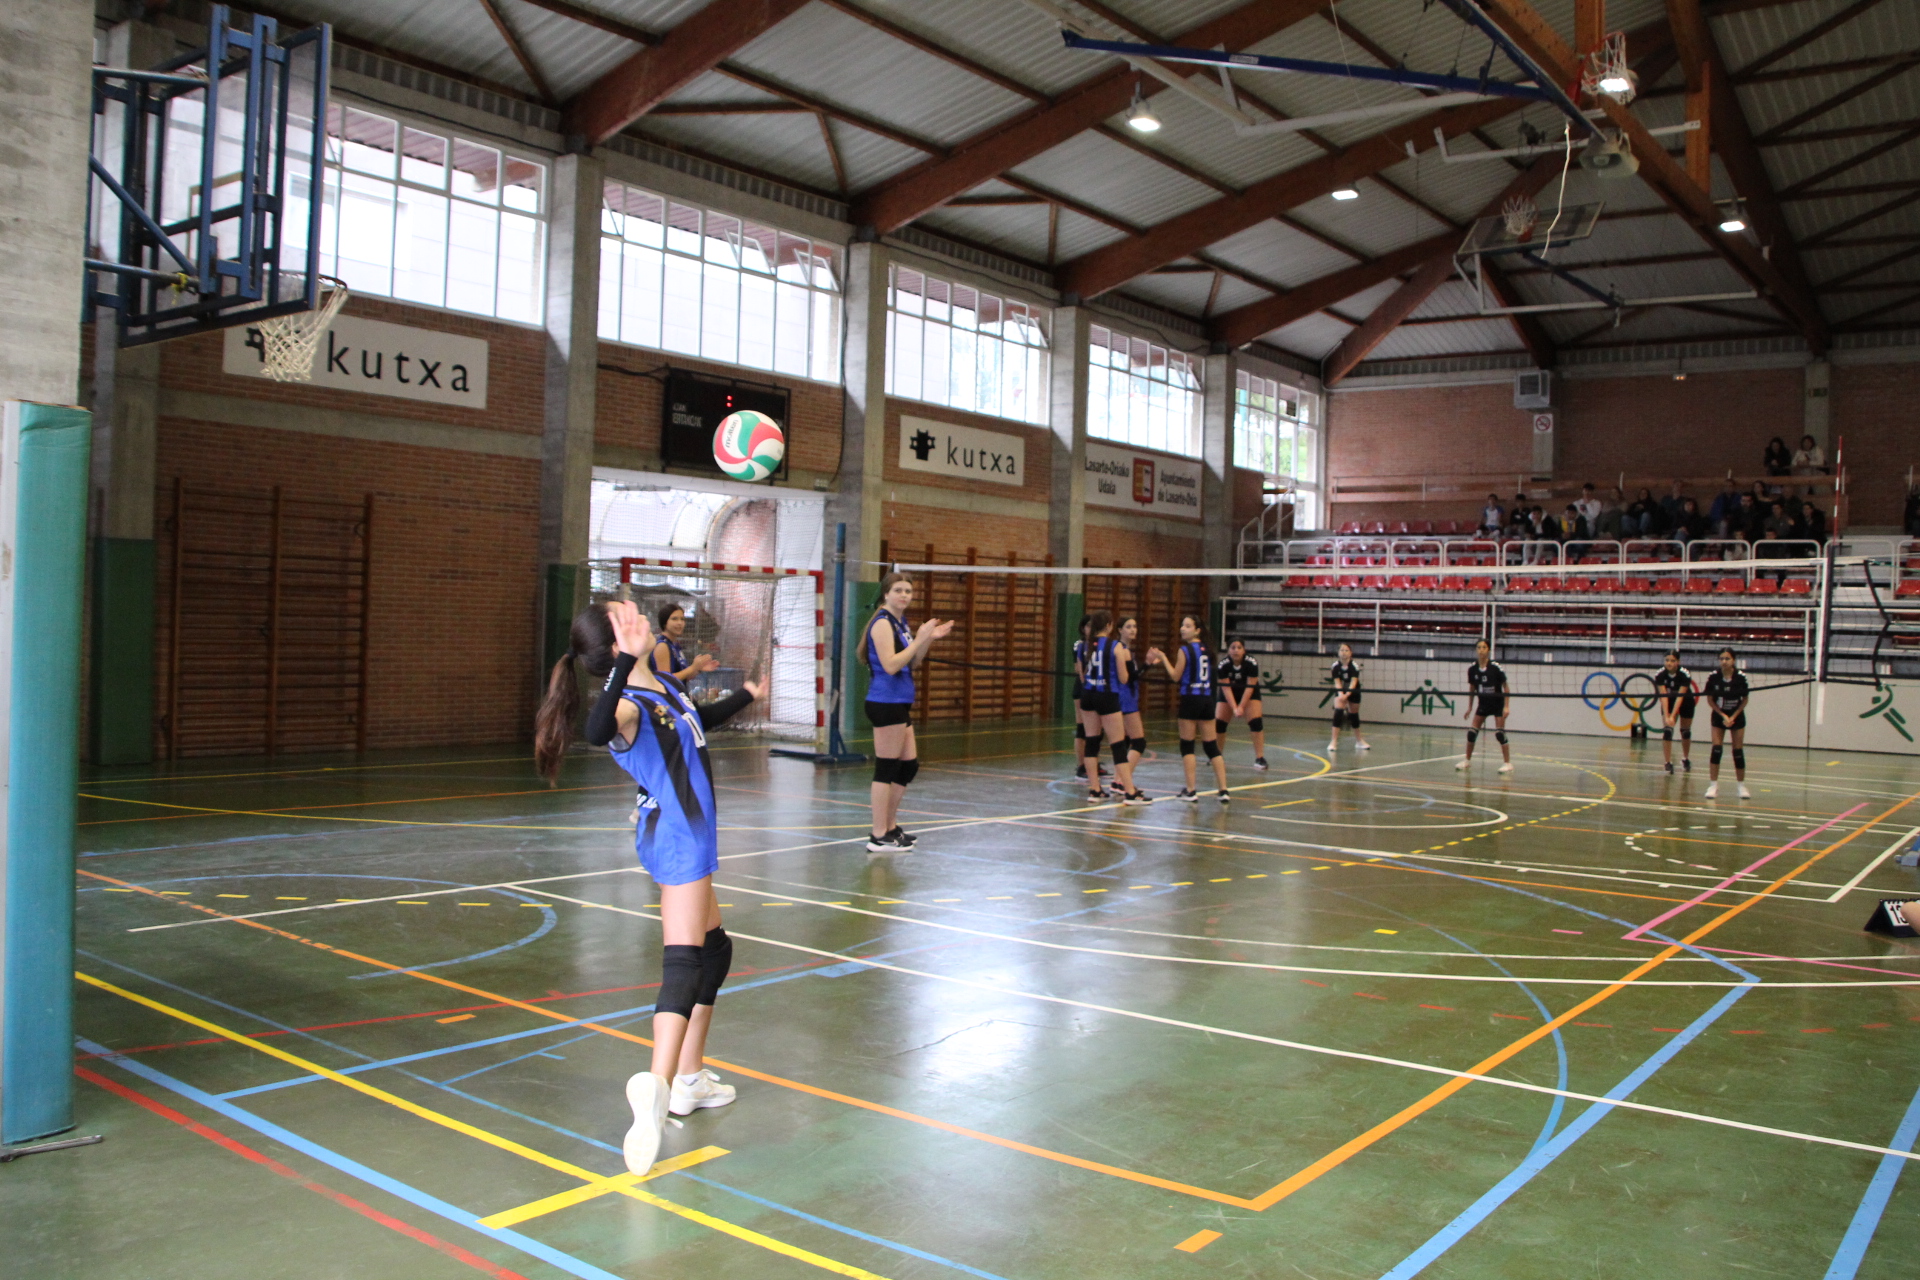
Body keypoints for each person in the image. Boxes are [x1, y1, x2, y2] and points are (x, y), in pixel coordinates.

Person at [534, 600, 765, 1176]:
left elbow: (699, 721)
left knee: (715, 950)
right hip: (678, 837)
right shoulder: (627, 705)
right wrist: (625, 665)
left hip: (691, 829)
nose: (638, 613)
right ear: (618, 643)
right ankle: (658, 1088)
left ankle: (689, 1079)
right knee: (685, 960)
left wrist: (747, 696)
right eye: (627, 614)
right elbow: (594, 732)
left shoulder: (663, 685)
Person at [863, 572, 954, 852]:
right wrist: (919, 639)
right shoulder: (882, 623)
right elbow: (891, 665)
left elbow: (912, 662)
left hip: (900, 700)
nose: (904, 595)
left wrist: (928, 639)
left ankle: (890, 826)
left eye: (908, 591)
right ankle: (878, 834)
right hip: (885, 701)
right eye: (898, 590)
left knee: (908, 766)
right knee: (886, 768)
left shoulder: (900, 622)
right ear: (886, 594)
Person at [1150, 615, 1229, 802]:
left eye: (1187, 626)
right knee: (1211, 747)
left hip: (1190, 699)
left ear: (1197, 630)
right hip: (1207, 700)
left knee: (1187, 746)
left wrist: (1163, 658)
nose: (1182, 629)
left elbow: (1175, 676)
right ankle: (1224, 790)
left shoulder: (1184, 650)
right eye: (1182, 625)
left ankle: (1191, 791)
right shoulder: (1208, 649)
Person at [1080, 611, 1147, 804]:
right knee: (1118, 745)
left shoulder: (1087, 646)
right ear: (1110, 626)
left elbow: (1083, 673)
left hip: (1088, 695)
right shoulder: (1115, 646)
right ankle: (1130, 792)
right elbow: (1124, 678)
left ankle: (1095, 790)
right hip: (1107, 696)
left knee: (1092, 742)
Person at [1457, 637, 1512, 773]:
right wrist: (1470, 707)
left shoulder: (1495, 667)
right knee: (1471, 733)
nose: (1481, 650)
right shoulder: (1472, 669)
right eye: (1479, 647)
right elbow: (1472, 689)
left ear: (1488, 650)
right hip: (1483, 704)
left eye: (1484, 647)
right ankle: (1467, 761)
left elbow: (1506, 687)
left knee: (1500, 734)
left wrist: (1506, 707)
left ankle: (1507, 763)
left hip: (1497, 703)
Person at [1702, 647, 1751, 800]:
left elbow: (1745, 700)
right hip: (1719, 716)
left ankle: (1741, 786)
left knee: (1738, 752)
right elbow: (1710, 699)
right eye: (1722, 658)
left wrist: (1733, 716)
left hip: (1736, 716)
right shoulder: (1714, 677)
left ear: (1733, 660)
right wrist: (1723, 715)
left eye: (1727, 658)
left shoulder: (1740, 677)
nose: (1724, 661)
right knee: (1716, 749)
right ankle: (1713, 785)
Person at [1071, 615, 1112, 791]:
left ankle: (1093, 764)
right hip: (1083, 689)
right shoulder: (1080, 645)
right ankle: (1081, 767)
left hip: (1096, 689)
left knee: (1096, 732)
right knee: (1082, 729)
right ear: (1083, 628)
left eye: (1092, 625)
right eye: (1086, 626)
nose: (1089, 629)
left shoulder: (1100, 645)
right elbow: (1079, 669)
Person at [1215, 638, 1268, 770]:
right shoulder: (1223, 665)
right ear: (1228, 650)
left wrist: (1241, 707)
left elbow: (1250, 686)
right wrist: (1234, 707)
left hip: (1248, 692)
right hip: (1230, 692)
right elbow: (1226, 688)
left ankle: (1260, 758)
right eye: (1233, 647)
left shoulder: (1251, 662)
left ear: (1244, 650)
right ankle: (1216, 756)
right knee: (1219, 723)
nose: (1236, 651)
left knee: (1256, 722)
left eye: (1239, 648)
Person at [1115, 616, 1152, 803]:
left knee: (1124, 742)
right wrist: (1148, 664)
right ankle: (1122, 781)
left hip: (1124, 699)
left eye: (1135, 626)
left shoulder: (1121, 649)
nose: (1133, 630)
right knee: (1139, 742)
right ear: (1119, 630)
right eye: (1128, 627)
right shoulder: (1122, 650)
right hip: (1126, 700)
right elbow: (1131, 678)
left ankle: (1118, 781)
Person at [649, 604, 720, 684]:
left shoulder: (674, 646)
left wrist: (698, 669)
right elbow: (666, 680)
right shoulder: (662, 646)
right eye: (674, 619)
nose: (680, 623)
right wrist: (693, 667)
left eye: (682, 619)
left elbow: (682, 677)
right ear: (664, 622)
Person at [1653, 651, 1697, 775]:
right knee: (1667, 731)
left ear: (1678, 662)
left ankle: (1685, 758)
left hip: (1686, 701)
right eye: (1667, 660)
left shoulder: (1684, 674)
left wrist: (1673, 715)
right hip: (1669, 700)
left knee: (1685, 731)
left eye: (1672, 661)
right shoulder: (1660, 674)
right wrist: (1667, 716)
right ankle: (1667, 762)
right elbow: (1663, 696)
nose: (1669, 663)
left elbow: (1680, 696)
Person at [1327, 642, 1370, 753]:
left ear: (1351, 653)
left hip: (1353, 690)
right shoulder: (1335, 666)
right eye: (1342, 650)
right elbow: (1337, 682)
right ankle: (1333, 742)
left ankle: (1359, 741)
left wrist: (1347, 695)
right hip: (1341, 689)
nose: (1344, 652)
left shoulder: (1354, 666)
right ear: (1338, 653)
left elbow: (1353, 682)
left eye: (1346, 650)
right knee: (1338, 712)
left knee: (1354, 715)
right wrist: (1341, 694)